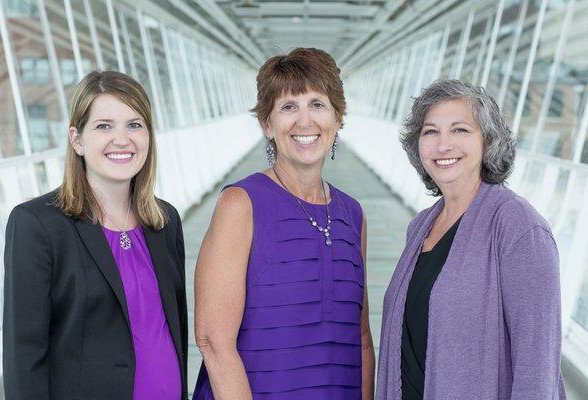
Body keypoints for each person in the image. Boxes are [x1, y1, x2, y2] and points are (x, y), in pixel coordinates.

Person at [192, 47, 375, 400]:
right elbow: (213, 340)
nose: (304, 122)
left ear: (338, 119)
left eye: (317, 105)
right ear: (267, 124)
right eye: (288, 107)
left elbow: (361, 339)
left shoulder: (353, 214)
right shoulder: (240, 204)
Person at [376, 79, 566, 399]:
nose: (443, 144)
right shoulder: (421, 225)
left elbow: (538, 363)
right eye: (430, 131)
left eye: (460, 130)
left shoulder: (519, 228)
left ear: (488, 142)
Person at [3, 71, 188, 400]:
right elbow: (24, 356)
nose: (122, 139)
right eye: (104, 126)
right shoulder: (38, 224)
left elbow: (174, 329)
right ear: (77, 139)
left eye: (134, 125)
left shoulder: (165, 221)